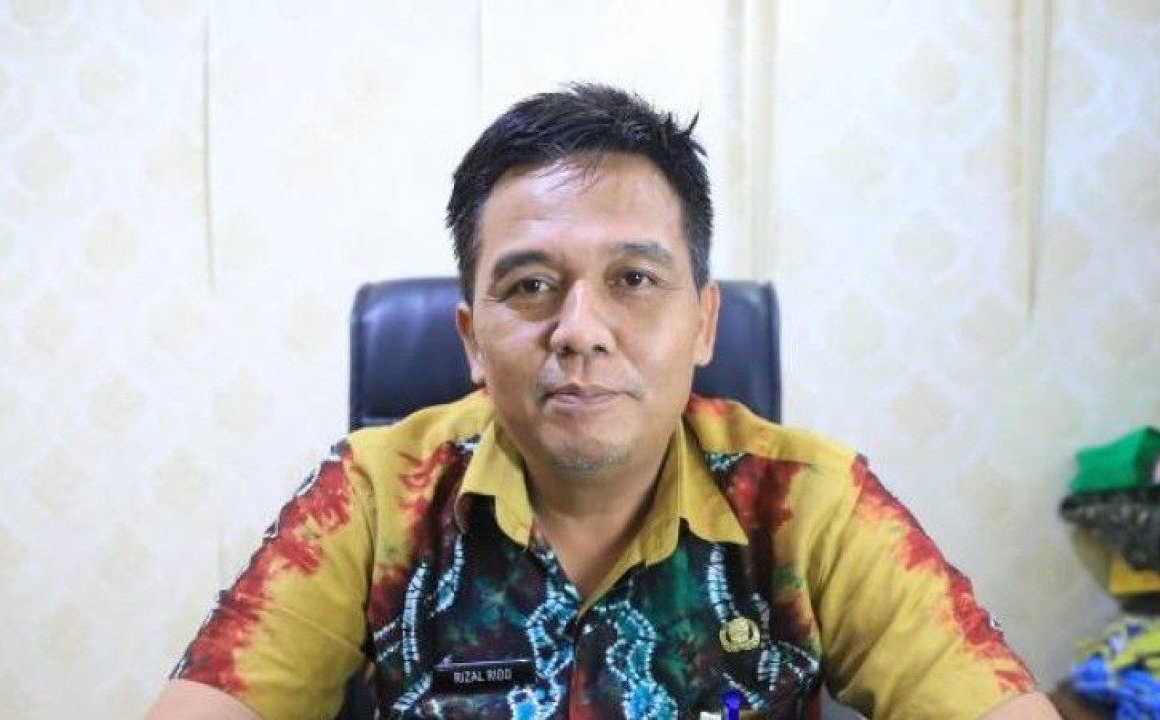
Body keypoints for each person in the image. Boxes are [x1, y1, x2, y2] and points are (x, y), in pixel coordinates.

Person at [147, 84, 1060, 719]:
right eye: (531, 286)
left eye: (633, 278)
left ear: (704, 324)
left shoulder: (808, 503)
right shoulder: (375, 497)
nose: (580, 330)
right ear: (471, 340)